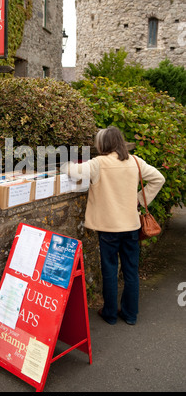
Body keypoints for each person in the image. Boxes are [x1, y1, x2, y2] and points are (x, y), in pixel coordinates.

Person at [60, 126, 165, 325]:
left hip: (107, 228)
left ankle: (109, 314)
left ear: (103, 144)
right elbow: (159, 178)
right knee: (131, 271)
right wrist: (140, 200)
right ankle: (130, 314)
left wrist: (65, 164)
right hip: (131, 226)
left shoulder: (98, 163)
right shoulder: (135, 161)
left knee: (109, 270)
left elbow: (72, 172)